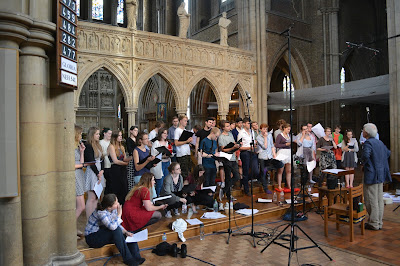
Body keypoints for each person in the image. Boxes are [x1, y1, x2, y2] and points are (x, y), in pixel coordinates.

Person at [84, 194, 144, 266]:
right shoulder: (101, 212)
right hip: (92, 238)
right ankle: (128, 259)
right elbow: (113, 227)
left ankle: (137, 257)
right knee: (116, 231)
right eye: (115, 203)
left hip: (102, 232)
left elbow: (116, 224)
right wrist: (119, 214)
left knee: (129, 233)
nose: (118, 204)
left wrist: (125, 232)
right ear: (109, 207)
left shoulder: (113, 210)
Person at [361, 123, 391, 231]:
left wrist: (366, 163)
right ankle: (379, 222)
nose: (362, 132)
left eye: (363, 130)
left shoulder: (368, 143)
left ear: (367, 133)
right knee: (379, 199)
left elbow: (365, 156)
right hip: (380, 174)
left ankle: (373, 223)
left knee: (371, 199)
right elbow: (388, 153)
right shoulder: (380, 143)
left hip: (371, 174)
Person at [256, 123, 284, 192]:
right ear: (260, 129)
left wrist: (274, 154)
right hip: (262, 156)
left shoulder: (269, 135)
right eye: (264, 129)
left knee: (280, 164)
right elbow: (265, 147)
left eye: (266, 129)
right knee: (263, 173)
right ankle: (265, 188)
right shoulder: (258, 137)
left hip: (269, 156)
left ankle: (267, 168)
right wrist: (265, 137)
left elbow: (272, 145)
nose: (265, 130)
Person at [107, 130, 132, 205]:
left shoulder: (122, 147)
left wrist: (132, 157)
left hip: (123, 169)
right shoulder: (111, 146)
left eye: (121, 135)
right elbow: (115, 161)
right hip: (115, 169)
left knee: (124, 188)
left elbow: (124, 158)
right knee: (117, 189)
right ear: (115, 137)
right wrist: (125, 163)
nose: (121, 137)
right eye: (119, 136)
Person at [84, 127, 105, 219]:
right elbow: (91, 161)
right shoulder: (88, 145)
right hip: (93, 171)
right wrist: (97, 173)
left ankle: (94, 218)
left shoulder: (98, 145)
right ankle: (89, 218)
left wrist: (102, 170)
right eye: (97, 134)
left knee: (97, 197)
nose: (99, 135)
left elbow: (102, 159)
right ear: (92, 135)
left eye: (99, 134)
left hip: (99, 171)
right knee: (91, 197)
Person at [218, 120, 241, 197]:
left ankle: (224, 190)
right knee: (228, 176)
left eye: (229, 125)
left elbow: (233, 143)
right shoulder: (221, 137)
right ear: (223, 128)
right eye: (227, 126)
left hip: (233, 157)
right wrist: (232, 148)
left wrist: (237, 145)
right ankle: (228, 195)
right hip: (226, 158)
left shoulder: (230, 134)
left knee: (237, 176)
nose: (229, 127)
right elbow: (223, 149)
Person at [238, 117, 259, 195]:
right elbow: (239, 147)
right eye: (248, 123)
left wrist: (255, 144)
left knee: (255, 170)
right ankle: (246, 189)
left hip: (252, 152)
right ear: (244, 124)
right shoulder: (241, 133)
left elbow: (253, 142)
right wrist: (249, 147)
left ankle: (244, 181)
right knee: (246, 170)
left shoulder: (252, 132)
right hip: (245, 152)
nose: (250, 125)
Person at [151, 128, 172, 196]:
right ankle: (158, 197)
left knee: (167, 180)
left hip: (167, 162)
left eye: (166, 133)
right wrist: (162, 156)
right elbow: (153, 154)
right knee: (160, 181)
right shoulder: (156, 143)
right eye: (164, 133)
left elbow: (170, 151)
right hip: (160, 163)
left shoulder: (168, 142)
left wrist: (170, 154)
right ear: (160, 134)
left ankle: (165, 195)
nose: (166, 135)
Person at [74, 125, 86, 238]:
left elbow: (81, 162)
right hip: (74, 176)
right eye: (80, 134)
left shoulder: (77, 147)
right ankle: (69, 229)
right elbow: (70, 165)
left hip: (79, 174)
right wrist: (82, 164)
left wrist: (82, 151)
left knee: (79, 206)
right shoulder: (69, 148)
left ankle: (74, 228)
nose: (81, 136)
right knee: (81, 206)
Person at [174, 114, 193, 179]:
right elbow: (176, 143)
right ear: (181, 121)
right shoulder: (177, 130)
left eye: (187, 121)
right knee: (184, 172)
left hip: (187, 152)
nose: (186, 122)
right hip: (181, 154)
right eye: (185, 121)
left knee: (189, 170)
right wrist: (186, 142)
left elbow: (185, 142)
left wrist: (189, 142)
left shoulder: (185, 130)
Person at [274, 123, 292, 190]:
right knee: (280, 170)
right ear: (284, 128)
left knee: (289, 170)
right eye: (288, 129)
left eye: (289, 129)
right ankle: (279, 185)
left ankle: (289, 185)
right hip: (282, 152)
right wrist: (285, 144)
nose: (289, 130)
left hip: (288, 152)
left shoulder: (289, 136)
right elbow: (277, 145)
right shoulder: (280, 135)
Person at [100, 128, 112, 193]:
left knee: (112, 183)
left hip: (112, 164)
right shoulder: (101, 142)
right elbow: (100, 154)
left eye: (111, 134)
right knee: (109, 182)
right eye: (109, 133)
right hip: (106, 164)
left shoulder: (111, 142)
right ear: (104, 133)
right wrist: (107, 153)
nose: (110, 135)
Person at [127, 126, 138, 191]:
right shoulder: (129, 140)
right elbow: (129, 150)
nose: (136, 132)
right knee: (131, 175)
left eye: (137, 131)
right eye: (135, 130)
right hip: (132, 158)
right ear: (131, 131)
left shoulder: (137, 139)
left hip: (137, 158)